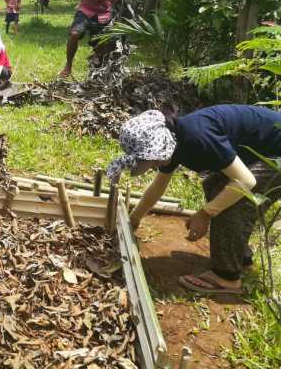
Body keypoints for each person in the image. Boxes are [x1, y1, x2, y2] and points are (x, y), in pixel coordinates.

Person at [107, 105, 281, 296]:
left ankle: (227, 277)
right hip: (265, 149)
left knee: (237, 200)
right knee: (215, 186)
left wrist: (205, 213)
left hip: (277, 154)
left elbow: (247, 181)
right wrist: (135, 218)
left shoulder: (196, 138)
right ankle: (239, 257)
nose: (149, 165)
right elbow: (158, 186)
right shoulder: (172, 140)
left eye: (147, 160)